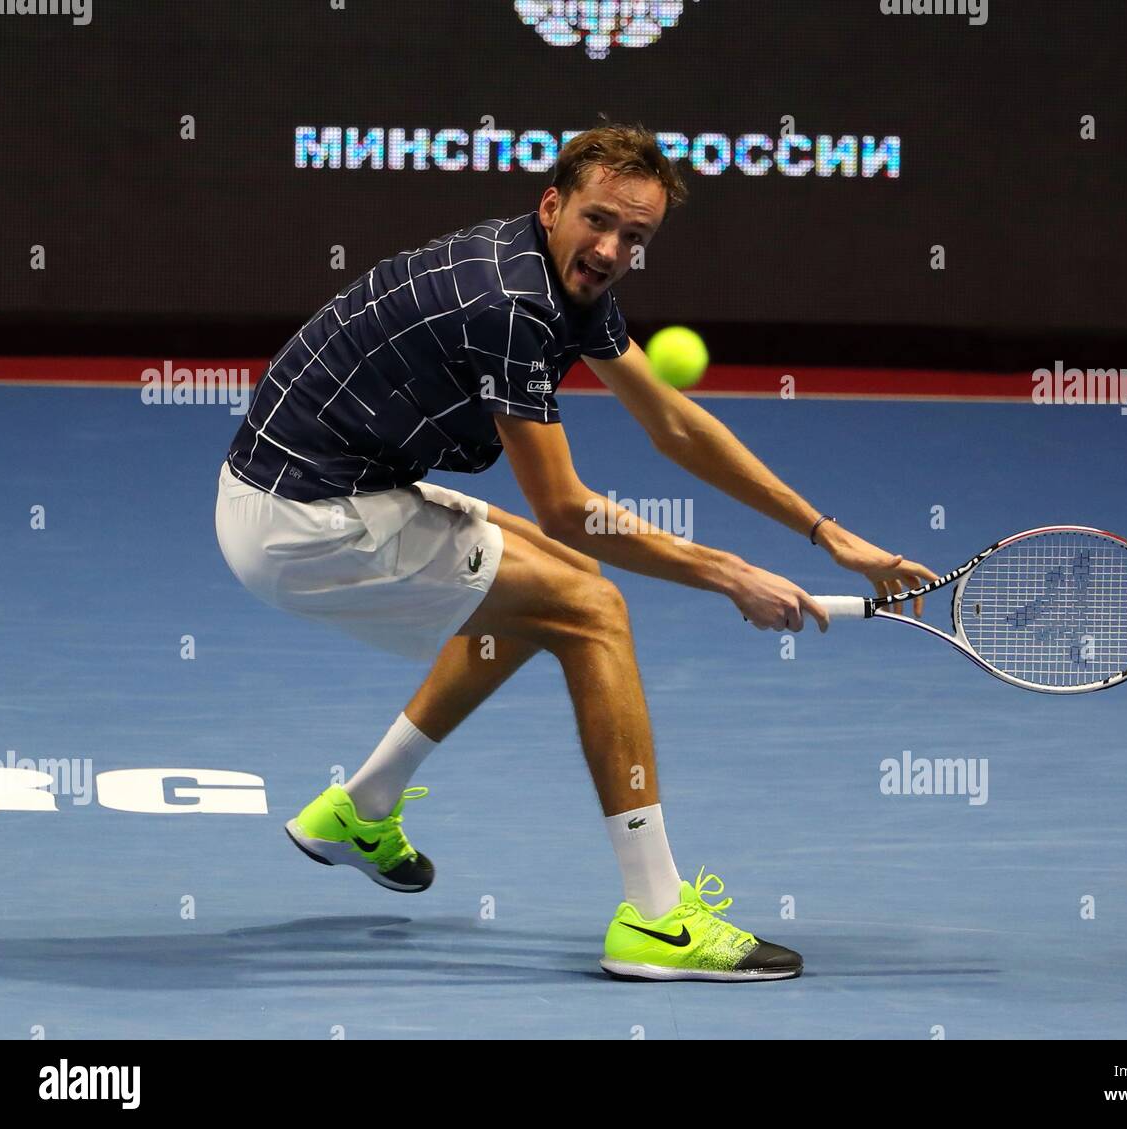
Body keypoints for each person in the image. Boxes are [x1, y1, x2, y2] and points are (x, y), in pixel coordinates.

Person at [215, 123, 934, 981]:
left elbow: (671, 421)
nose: (612, 248)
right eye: (598, 221)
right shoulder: (512, 303)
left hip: (325, 487)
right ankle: (658, 920)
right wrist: (731, 574)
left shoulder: (559, 277)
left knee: (566, 589)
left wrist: (828, 534)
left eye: (636, 237)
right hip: (304, 518)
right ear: (552, 205)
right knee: (593, 611)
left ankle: (359, 808)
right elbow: (564, 508)